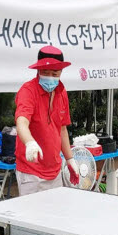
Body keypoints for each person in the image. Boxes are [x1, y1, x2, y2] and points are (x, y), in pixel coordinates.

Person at [13, 46, 78, 195]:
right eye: (45, 72)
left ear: (61, 72)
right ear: (38, 70)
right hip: (31, 172)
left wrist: (69, 159)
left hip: (55, 171)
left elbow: (62, 129)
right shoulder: (28, 91)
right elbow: (22, 122)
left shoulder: (61, 92)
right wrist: (29, 142)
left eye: (54, 73)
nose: (50, 77)